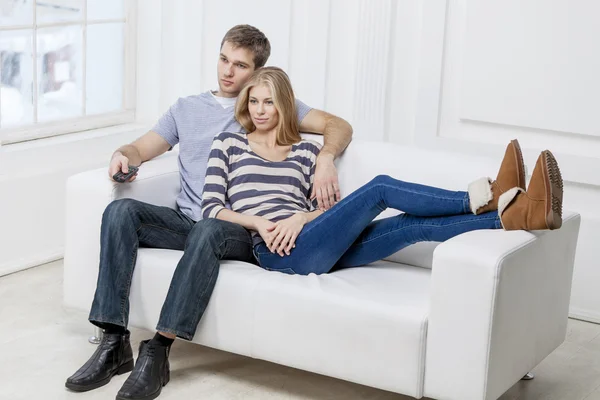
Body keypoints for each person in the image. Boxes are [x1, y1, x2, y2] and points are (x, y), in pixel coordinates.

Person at [65, 25, 353, 400]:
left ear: (257, 73)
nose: (228, 72)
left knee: (209, 229)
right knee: (120, 211)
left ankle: (158, 352)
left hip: (237, 229)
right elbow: (141, 147)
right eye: (223, 59)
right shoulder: (186, 109)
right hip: (188, 220)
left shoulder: (263, 103)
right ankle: (114, 342)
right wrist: (124, 155)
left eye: (240, 65)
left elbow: (338, 125)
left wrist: (326, 157)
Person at [202, 66, 564, 277]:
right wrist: (261, 224)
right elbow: (211, 210)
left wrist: (301, 217)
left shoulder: (307, 149)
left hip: (312, 235)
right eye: (254, 101)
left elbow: (327, 208)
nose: (261, 110)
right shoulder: (228, 144)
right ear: (246, 105)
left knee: (410, 226)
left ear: (284, 106)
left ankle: (518, 214)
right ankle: (483, 196)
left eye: (269, 102)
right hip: (276, 251)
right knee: (380, 188)